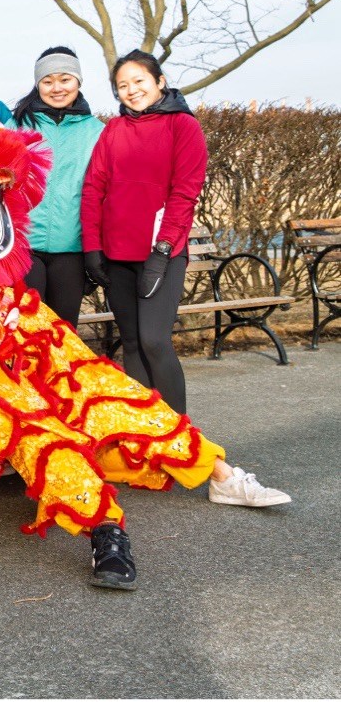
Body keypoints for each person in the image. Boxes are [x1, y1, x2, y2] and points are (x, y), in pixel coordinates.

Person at [81, 49, 290, 509]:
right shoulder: (113, 129)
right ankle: (143, 444)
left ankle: (183, 444)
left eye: (139, 81)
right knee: (131, 344)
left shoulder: (183, 126)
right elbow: (95, 186)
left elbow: (184, 192)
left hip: (161, 254)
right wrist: (93, 247)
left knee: (156, 341)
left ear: (158, 81)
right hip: (115, 256)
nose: (131, 91)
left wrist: (162, 250)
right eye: (122, 86)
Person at [12, 47, 103, 328]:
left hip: (72, 248)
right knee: (29, 330)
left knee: (65, 333)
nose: (57, 88)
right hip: (27, 246)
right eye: (47, 81)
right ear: (38, 85)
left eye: (65, 79)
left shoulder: (96, 131)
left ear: (78, 82)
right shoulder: (17, 126)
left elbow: (103, 192)